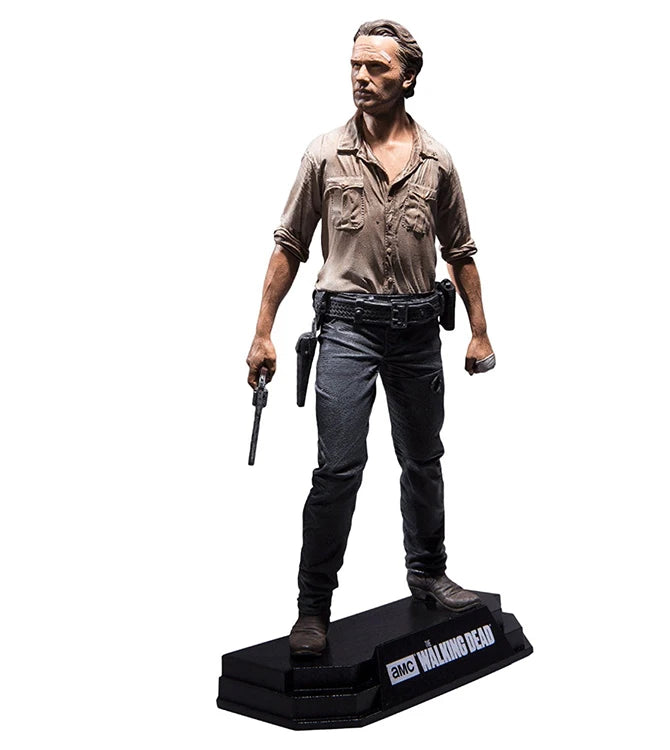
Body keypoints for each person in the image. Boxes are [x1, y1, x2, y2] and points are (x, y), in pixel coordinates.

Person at [246, 20, 495, 656]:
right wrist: (262, 332)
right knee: (338, 469)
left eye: (377, 68)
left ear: (407, 78)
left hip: (416, 332)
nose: (361, 77)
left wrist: (480, 332)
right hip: (347, 331)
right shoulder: (324, 155)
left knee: (423, 459)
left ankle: (429, 573)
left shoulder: (437, 161)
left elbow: (460, 251)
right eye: (355, 65)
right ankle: (312, 607)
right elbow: (289, 244)